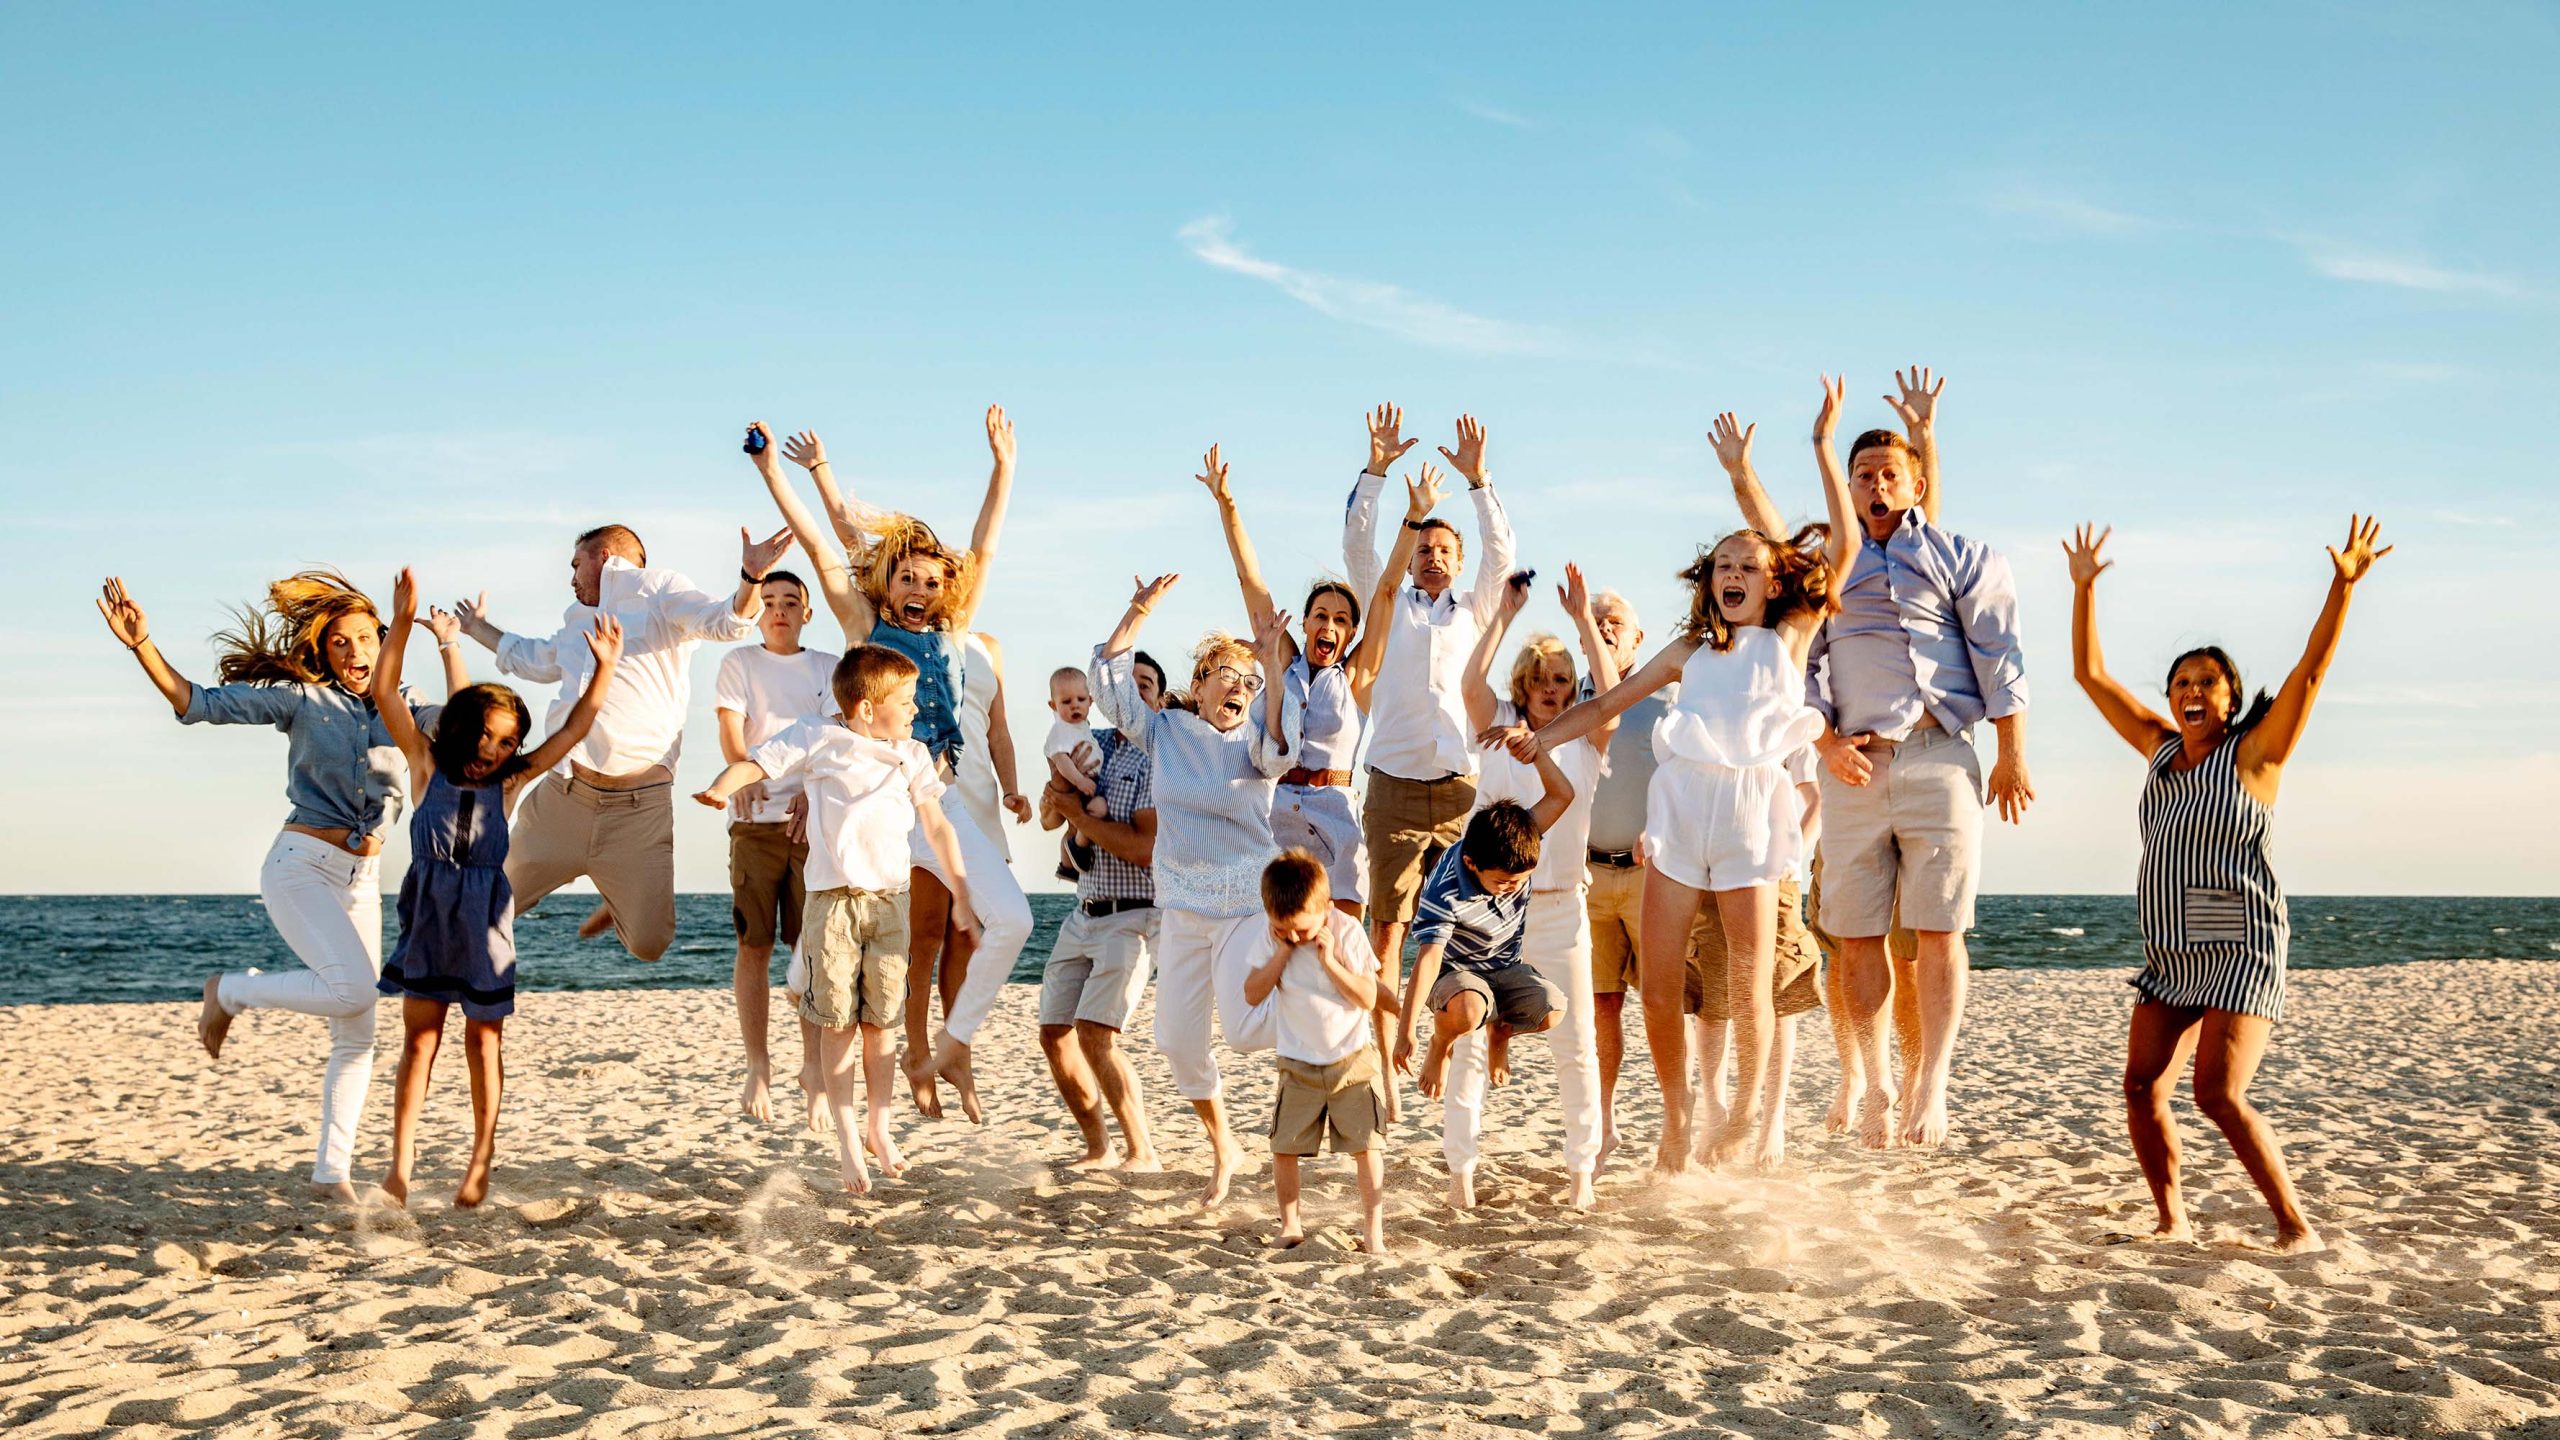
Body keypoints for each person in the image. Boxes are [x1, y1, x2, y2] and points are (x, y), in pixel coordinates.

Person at [1536, 379, 1855, 1174]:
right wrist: (1536, 735)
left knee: (1750, 977)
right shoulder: (1687, 650)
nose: (1733, 573)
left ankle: (1746, 1110)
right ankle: (1678, 1116)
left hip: (1751, 808)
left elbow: (1840, 548)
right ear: (1708, 580)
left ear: (1774, 581)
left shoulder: (1788, 637)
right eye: (1722, 564)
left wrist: (1820, 446)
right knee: (1658, 983)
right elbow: (1608, 700)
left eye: (1748, 564)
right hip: (1680, 809)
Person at [1723, 370, 2029, 1149]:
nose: (1876, 483)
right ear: (1848, 489)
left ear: (1918, 480)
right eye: (1863, 475)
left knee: (1938, 930)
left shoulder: (1960, 556)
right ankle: (1874, 1080)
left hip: (1939, 756)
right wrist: (1822, 742)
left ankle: (1932, 1084)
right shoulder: (1830, 566)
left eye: (1890, 473)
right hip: (1854, 763)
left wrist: (2010, 754)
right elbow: (1803, 666)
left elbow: (1999, 654)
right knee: (1854, 936)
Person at [2066, 516, 2388, 1253]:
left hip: (2241, 942)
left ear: (2231, 696)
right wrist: (2084, 590)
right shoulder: (2158, 748)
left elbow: (2310, 672)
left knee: (2216, 1092)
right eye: (2181, 682)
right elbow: (2089, 676)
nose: (2191, 691)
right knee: (2142, 1085)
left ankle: (2295, 1226)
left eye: (2207, 682)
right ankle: (2172, 1219)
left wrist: (2342, 587)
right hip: (2174, 946)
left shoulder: (2255, 755)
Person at [97, 571, 459, 1203]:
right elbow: (198, 703)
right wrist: (142, 646)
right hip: (300, 866)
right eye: (339, 644)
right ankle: (232, 989)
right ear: (323, 651)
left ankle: (329, 1178)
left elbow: (457, 731)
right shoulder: (300, 700)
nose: (353, 654)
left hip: (363, 879)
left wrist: (448, 644)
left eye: (363, 641)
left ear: (382, 641)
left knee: (359, 1031)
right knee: (352, 992)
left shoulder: (404, 701)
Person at [744, 415, 1033, 1123]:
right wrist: (771, 472)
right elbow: (817, 542)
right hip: (875, 805)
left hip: (938, 802)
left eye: (930, 581)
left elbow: (988, 544)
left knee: (1014, 922)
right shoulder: (864, 628)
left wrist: (1004, 466)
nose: (919, 587)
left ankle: (954, 1041)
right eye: (906, 576)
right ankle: (811, 1012)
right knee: (832, 942)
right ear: (887, 582)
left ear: (943, 590)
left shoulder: (955, 632)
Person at [371, 570, 624, 1207]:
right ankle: (400, 1165)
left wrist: (605, 669)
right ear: (461, 727)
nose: (492, 747)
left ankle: (481, 1157)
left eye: (507, 740)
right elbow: (384, 691)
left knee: (484, 1038)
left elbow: (573, 731)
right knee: (419, 1041)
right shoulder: (426, 763)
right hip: (428, 916)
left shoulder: (509, 783)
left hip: (485, 922)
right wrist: (401, 623)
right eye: (484, 733)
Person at [693, 645, 978, 1194]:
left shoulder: (913, 755)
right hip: (832, 905)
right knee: (838, 1024)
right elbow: (759, 762)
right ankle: (848, 1136)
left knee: (881, 1025)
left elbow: (938, 827)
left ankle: (879, 1124)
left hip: (890, 904)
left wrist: (961, 891)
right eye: (905, 700)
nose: (916, 709)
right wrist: (722, 788)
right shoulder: (818, 738)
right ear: (867, 709)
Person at [450, 521, 785, 964]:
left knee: (650, 944)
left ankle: (619, 889)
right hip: (564, 798)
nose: (570, 578)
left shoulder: (659, 589)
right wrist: (476, 627)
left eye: (575, 565)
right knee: (488, 900)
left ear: (604, 556)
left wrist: (752, 579)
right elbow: (532, 658)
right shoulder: (575, 620)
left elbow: (725, 621)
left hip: (638, 809)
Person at [1090, 571, 1301, 1208]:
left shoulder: (1254, 740)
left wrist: (1271, 665)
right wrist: (1139, 608)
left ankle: (1320, 994)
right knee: (1177, 1042)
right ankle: (1224, 1145)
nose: (1239, 687)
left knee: (1240, 1033)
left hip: (1243, 902)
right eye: (1228, 676)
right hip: (1182, 904)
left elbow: (1278, 755)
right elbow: (1108, 678)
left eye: (1251, 682)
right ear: (1200, 683)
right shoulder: (1165, 731)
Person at [1342, 409, 1519, 1116]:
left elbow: (1503, 555)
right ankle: (1386, 1067)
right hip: (1390, 786)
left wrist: (1478, 481)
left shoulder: (1475, 608)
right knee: (1387, 930)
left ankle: (1458, 1041)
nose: (1434, 557)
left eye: (1444, 549)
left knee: (1460, 929)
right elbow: (1358, 545)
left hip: (1459, 792)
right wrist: (1377, 469)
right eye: (1423, 549)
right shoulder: (1387, 608)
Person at [1442, 563, 1621, 1209]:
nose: (1552, 690)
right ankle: (1461, 1177)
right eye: (1542, 680)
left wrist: (1582, 623)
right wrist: (1505, 615)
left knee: (1575, 1045)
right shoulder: (1495, 727)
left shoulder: (1586, 738)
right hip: (1485, 909)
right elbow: (1467, 680)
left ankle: (1580, 1179)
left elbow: (1611, 693)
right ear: (1524, 683)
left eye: (1563, 682)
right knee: (1465, 1042)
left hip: (1557, 911)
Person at [1197, 444, 1376, 917]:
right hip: (1274, 812)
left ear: (1352, 632)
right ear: (1304, 623)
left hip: (1335, 814)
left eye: (1341, 620)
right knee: (1269, 935)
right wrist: (1226, 505)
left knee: (1338, 937)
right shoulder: (1284, 660)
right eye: (1321, 616)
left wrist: (1390, 489)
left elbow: (1391, 595)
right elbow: (1249, 579)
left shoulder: (1356, 675)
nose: (1330, 627)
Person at [1393, 794, 1572, 1211]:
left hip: (1504, 967)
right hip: (1456, 975)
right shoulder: (1447, 890)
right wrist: (1408, 1033)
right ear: (1473, 864)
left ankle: (1501, 1032)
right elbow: (1428, 958)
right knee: (1469, 1011)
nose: (1512, 889)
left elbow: (1563, 794)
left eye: (1520, 881)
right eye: (1503, 883)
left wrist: (1538, 744)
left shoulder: (1513, 842)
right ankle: (1443, 1044)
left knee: (1553, 1010)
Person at [711, 570, 839, 1129]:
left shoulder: (828, 667)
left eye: (791, 602)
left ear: (807, 613)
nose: (779, 610)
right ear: (757, 610)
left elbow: (836, 738)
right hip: (755, 823)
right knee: (754, 947)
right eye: (769, 602)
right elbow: (731, 728)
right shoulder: (739, 663)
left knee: (809, 950)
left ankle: (813, 1069)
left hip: (812, 824)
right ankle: (758, 1066)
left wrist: (815, 793)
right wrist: (744, 773)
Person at [1034, 651, 1166, 1172]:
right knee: (1053, 1032)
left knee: (1097, 1034)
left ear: (1158, 698)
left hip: (1134, 914)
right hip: (1081, 909)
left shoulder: (1161, 760)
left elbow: (1142, 848)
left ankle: (1142, 1150)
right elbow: (1049, 816)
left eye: (1145, 686)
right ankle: (1098, 1147)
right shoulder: (1090, 742)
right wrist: (1058, 800)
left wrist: (1070, 809)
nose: (1133, 695)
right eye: (1126, 687)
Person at [1679, 746, 1824, 1171]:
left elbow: (1815, 799)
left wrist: (1788, 860)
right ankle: (1716, 1107)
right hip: (1710, 871)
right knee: (1710, 998)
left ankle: (1772, 1118)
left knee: (1778, 995)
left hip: (1774, 879)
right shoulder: (1710, 723)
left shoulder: (1788, 726)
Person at [1241, 851, 1389, 1255]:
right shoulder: (1273, 936)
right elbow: (1252, 993)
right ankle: (1290, 1225)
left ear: (1325, 909)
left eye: (1302, 930)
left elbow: (1367, 997)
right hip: (1297, 1063)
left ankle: (1373, 1232)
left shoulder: (1348, 930)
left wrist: (1328, 960)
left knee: (1366, 1146)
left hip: (1352, 1061)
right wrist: (1283, 952)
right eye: (1282, 927)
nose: (1293, 935)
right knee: (1284, 1147)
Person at [1577, 587, 1666, 1168]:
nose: (1606, 630)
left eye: (1617, 624)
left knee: (1662, 1002)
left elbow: (1684, 779)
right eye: (1597, 621)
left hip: (1649, 875)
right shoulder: (1566, 695)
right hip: (1587, 875)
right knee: (1601, 1007)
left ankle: (1674, 1117)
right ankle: (1604, 1123)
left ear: (1638, 638)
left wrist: (1660, 831)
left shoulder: (1666, 698)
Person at [1042, 666, 1109, 818]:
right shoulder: (1060, 730)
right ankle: (1078, 839)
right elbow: (1060, 759)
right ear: (1053, 706)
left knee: (1101, 809)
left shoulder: (1083, 728)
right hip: (1077, 787)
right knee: (1097, 810)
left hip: (1094, 784)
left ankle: (1081, 836)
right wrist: (1079, 780)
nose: (1075, 705)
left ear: (1090, 701)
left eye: (1081, 699)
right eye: (1066, 701)